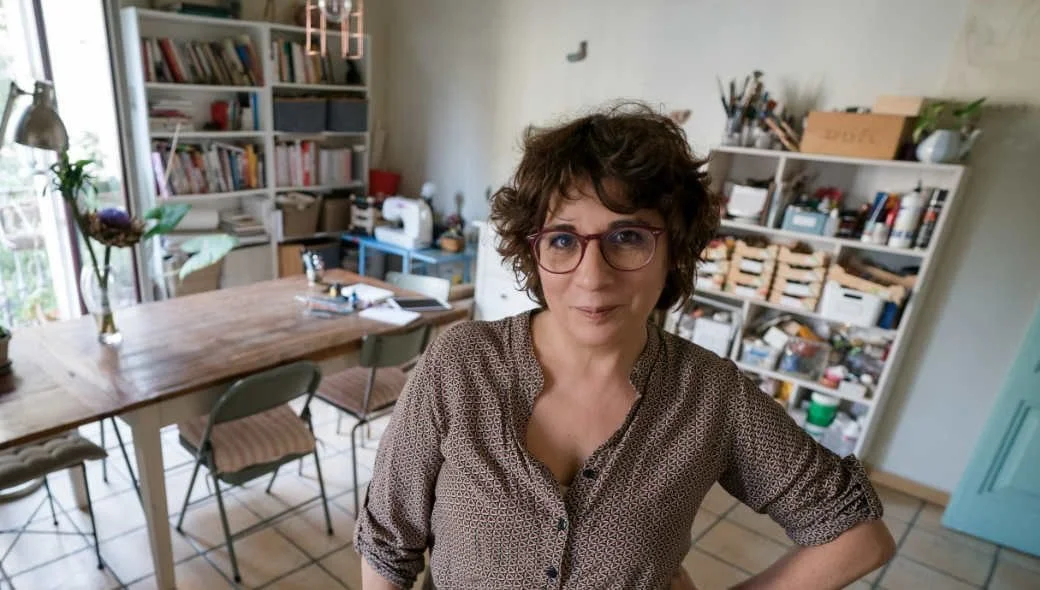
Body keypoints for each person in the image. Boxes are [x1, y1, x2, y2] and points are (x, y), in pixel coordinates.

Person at [354, 103, 895, 589]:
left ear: (673, 252)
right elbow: (386, 545)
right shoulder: (463, 364)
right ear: (533, 250)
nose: (592, 277)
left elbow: (858, 535)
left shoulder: (711, 397)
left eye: (628, 237)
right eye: (563, 240)